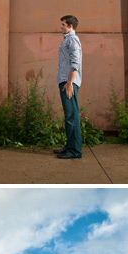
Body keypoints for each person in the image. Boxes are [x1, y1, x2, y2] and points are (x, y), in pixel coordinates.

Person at [55, 15, 83, 159]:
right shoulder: (67, 40)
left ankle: (75, 151)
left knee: (72, 116)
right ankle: (69, 146)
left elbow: (75, 63)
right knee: (69, 116)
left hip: (69, 83)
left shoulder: (72, 40)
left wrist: (70, 83)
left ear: (70, 26)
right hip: (65, 82)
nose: (61, 27)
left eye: (63, 24)